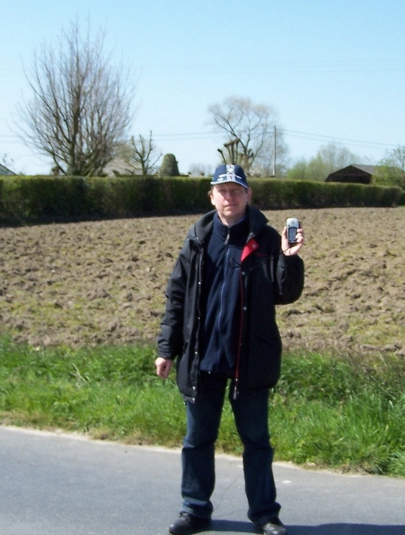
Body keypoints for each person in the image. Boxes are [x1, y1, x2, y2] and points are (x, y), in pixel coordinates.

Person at [155, 164, 305, 535]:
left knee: (256, 442)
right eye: (222, 190)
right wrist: (166, 349)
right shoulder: (197, 239)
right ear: (211, 196)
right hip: (200, 358)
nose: (229, 196)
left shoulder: (268, 239)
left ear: (248, 195)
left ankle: (266, 515)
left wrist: (289, 258)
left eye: (236, 190)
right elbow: (176, 296)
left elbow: (286, 294)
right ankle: (194, 509)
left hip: (249, 359)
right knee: (197, 440)